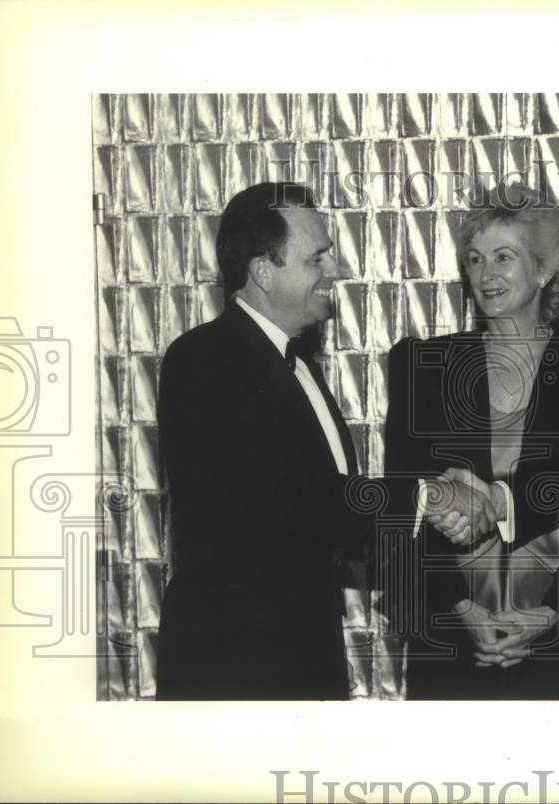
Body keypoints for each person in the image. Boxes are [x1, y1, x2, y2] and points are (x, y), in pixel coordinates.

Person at [156, 182, 495, 700]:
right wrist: (429, 496)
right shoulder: (204, 361)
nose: (333, 271)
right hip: (236, 668)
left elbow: (333, 510)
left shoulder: (295, 364)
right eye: (317, 258)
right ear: (263, 271)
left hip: (300, 654)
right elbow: (297, 498)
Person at [383, 183, 559, 699]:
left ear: (546, 269)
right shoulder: (424, 366)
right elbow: (402, 510)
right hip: (451, 642)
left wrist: (554, 614)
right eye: (475, 259)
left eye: (504, 257)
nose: (486, 275)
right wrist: (462, 612)